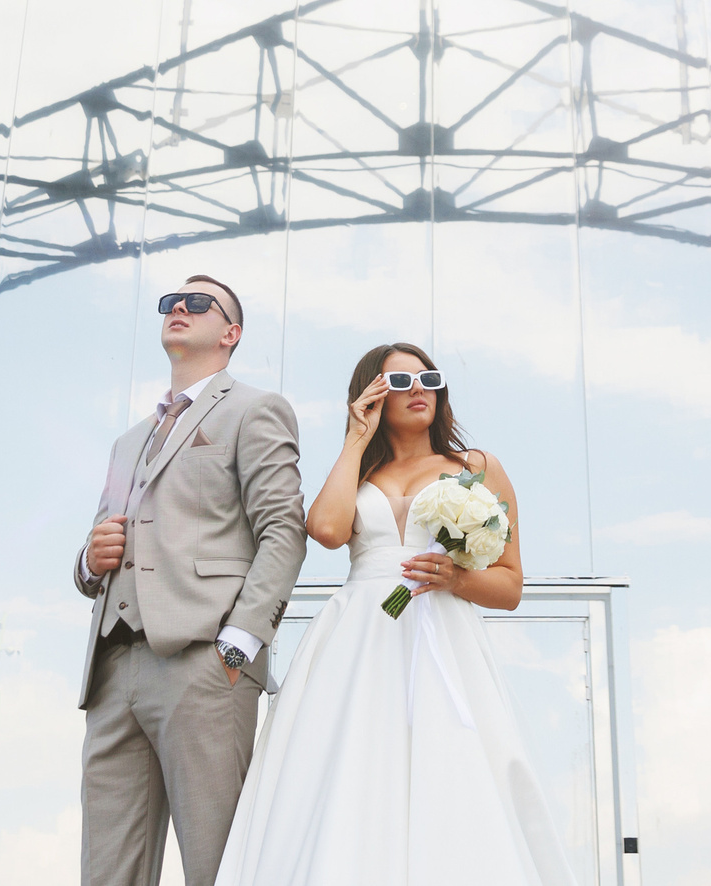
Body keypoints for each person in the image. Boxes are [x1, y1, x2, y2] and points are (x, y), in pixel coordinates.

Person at [211, 343, 574, 886]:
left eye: (428, 378)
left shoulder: (476, 467)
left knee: (449, 764)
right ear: (373, 397)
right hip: (359, 638)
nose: (419, 389)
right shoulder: (358, 471)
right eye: (399, 382)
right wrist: (355, 438)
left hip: (442, 632)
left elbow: (510, 586)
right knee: (350, 767)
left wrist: (457, 579)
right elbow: (327, 530)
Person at [76, 276, 307, 886]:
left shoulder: (254, 409)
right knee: (106, 871)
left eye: (200, 303)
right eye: (171, 302)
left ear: (231, 333)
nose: (179, 306)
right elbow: (98, 547)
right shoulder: (128, 442)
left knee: (216, 865)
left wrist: (238, 646)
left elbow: (284, 530)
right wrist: (89, 561)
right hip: (113, 669)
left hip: (204, 663)